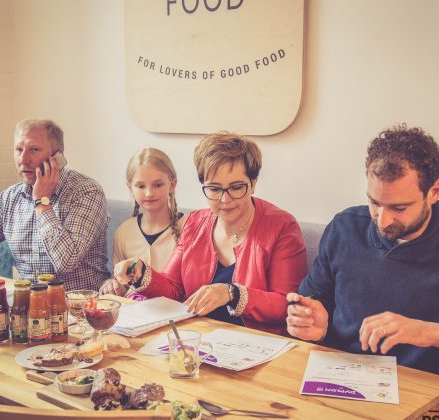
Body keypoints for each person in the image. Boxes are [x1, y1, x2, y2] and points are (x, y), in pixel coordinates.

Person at [287, 124, 439, 379]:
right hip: (336, 379)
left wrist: (432, 333)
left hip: (422, 394)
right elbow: (310, 307)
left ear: (434, 191)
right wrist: (313, 326)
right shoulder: (344, 228)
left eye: (399, 208)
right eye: (374, 203)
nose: (382, 221)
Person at [114, 132, 307, 336]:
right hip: (198, 337)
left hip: (257, 342)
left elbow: (286, 305)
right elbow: (173, 288)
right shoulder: (194, 223)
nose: (225, 200)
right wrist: (141, 272)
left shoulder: (282, 227)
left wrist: (232, 293)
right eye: (214, 189)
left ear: (253, 183)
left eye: (236, 187)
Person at [0, 118, 110, 291]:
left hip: (78, 303)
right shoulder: (10, 198)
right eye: (19, 150)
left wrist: (42, 202)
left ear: (57, 157)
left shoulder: (86, 192)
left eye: (34, 150)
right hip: (28, 302)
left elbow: (67, 261)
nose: (23, 159)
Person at [100, 148, 185, 295]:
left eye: (158, 185)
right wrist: (114, 286)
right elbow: (123, 283)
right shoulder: (123, 232)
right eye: (141, 186)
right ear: (130, 187)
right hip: (134, 308)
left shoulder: (188, 228)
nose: (149, 193)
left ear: (172, 185)